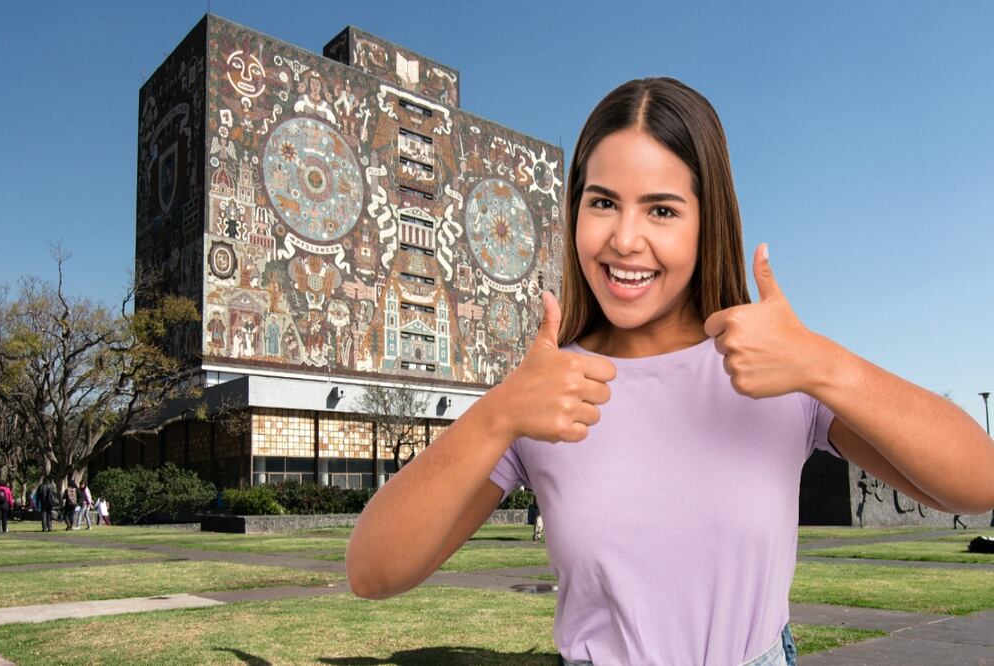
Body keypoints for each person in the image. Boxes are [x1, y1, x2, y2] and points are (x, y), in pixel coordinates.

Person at [345, 78, 994, 665]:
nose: (625, 239)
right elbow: (372, 572)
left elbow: (977, 483)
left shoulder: (777, 367)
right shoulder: (549, 392)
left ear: (707, 220)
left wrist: (825, 365)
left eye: (661, 209)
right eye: (603, 202)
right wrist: (500, 412)